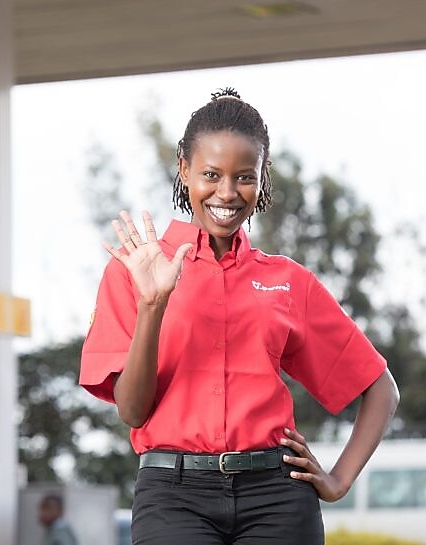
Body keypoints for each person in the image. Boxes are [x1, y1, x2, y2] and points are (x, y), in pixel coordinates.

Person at [80, 89, 400, 545]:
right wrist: (153, 304)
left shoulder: (287, 280)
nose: (227, 193)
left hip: (277, 498)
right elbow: (132, 412)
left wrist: (338, 480)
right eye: (211, 174)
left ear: (262, 177)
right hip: (173, 496)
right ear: (184, 169)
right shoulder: (135, 269)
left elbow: (381, 389)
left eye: (244, 177)